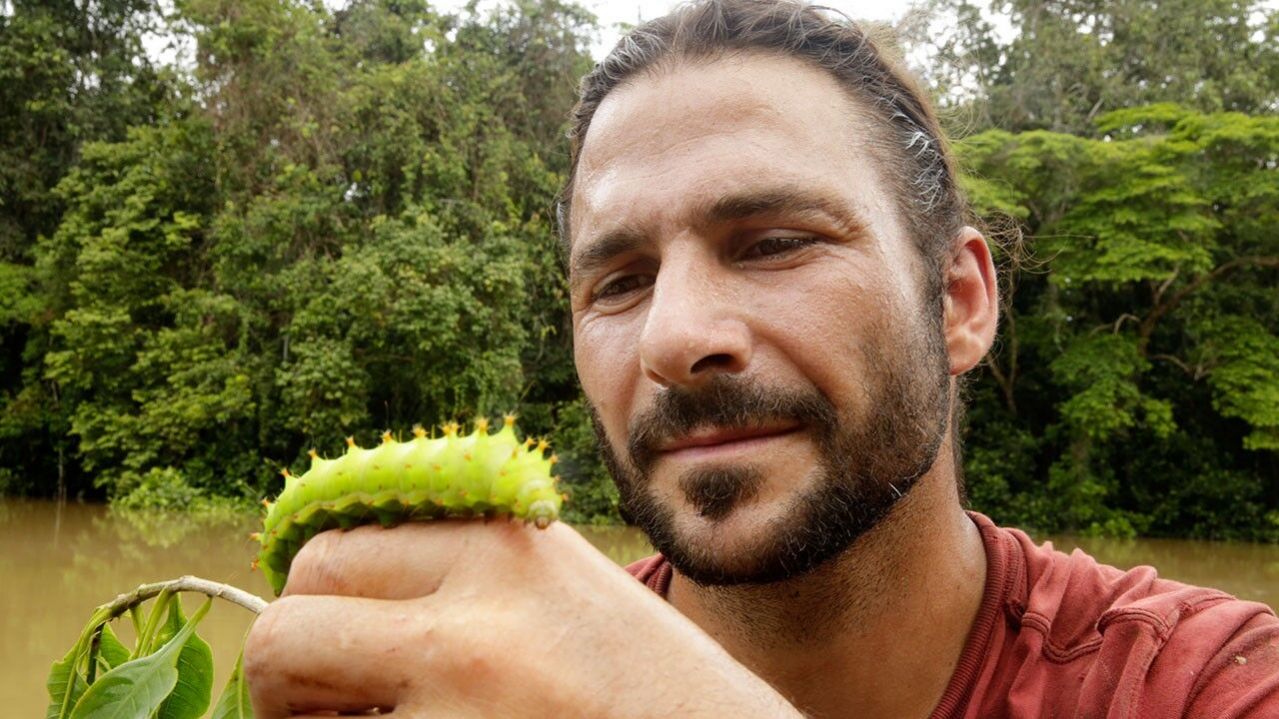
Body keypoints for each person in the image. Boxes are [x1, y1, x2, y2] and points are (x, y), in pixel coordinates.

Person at [243, 1, 1279, 716]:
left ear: (958, 301)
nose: (674, 336)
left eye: (775, 242)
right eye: (619, 281)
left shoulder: (1205, 681)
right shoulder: (452, 679)